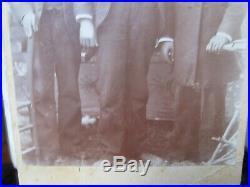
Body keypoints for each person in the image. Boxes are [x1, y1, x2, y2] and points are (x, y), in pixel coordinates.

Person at [74, 2, 171, 160]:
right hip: (111, 13)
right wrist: (85, 19)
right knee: (110, 85)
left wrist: (166, 34)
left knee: (138, 87)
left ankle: (135, 150)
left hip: (145, 12)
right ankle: (112, 152)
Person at [160, 2, 246, 162]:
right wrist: (167, 37)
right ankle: (182, 154)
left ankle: (212, 154)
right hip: (185, 38)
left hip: (215, 38)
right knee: (185, 92)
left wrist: (224, 33)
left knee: (212, 96)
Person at [11, 3, 82, 164]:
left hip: (67, 20)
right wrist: (24, 13)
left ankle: (71, 145)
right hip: (38, 21)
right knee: (41, 88)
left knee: (70, 86)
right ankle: (48, 148)